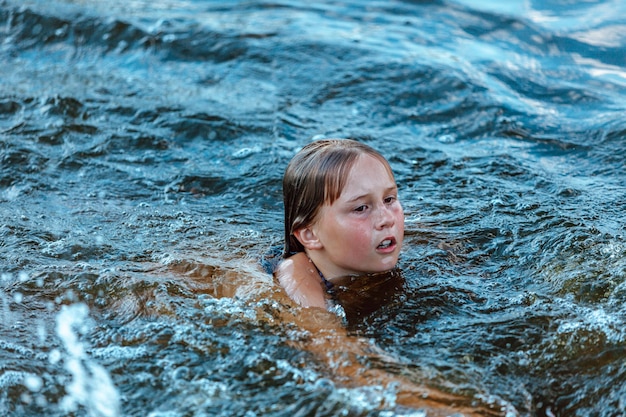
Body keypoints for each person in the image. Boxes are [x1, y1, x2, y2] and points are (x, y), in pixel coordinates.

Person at [274, 138, 405, 312]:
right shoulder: (296, 277)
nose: (387, 219)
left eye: (389, 199)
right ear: (311, 235)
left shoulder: (388, 237)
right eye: (360, 208)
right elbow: (323, 337)